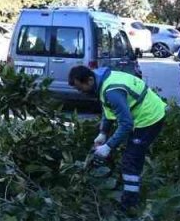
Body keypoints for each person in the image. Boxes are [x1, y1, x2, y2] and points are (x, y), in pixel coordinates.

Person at [68, 65, 167, 211]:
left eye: (80, 88)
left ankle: (129, 205)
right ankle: (132, 187)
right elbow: (108, 108)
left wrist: (108, 147)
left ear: (89, 80)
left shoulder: (111, 91)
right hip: (142, 115)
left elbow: (126, 124)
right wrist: (103, 132)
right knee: (133, 156)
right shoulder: (100, 79)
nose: (80, 92)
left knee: (130, 160)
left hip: (149, 118)